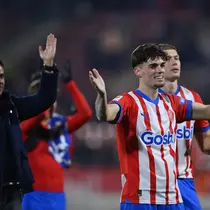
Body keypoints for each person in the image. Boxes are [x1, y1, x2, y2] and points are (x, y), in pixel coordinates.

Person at [89, 43, 210, 210]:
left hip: (172, 197)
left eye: (161, 65)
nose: (160, 70)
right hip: (140, 197)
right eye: (153, 66)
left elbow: (206, 111)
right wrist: (101, 96)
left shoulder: (172, 103)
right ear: (138, 71)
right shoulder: (129, 101)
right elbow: (105, 114)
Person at [20, 61, 92, 210]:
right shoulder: (26, 125)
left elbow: (86, 114)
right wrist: (45, 91)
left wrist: (70, 84)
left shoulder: (60, 126)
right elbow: (39, 114)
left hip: (57, 196)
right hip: (33, 196)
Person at [0, 33, 58, 210]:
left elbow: (44, 99)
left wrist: (48, 66)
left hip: (12, 190)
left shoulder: (11, 106)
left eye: (1, 76)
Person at [158, 43, 210, 210]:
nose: (174, 62)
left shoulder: (192, 98)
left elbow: (206, 145)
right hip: (154, 181)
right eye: (168, 59)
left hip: (183, 181)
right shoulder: (144, 101)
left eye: (177, 58)